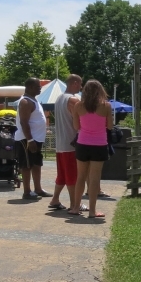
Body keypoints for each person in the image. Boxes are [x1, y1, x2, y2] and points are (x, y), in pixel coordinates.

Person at [70, 79, 114, 218]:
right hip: (99, 145)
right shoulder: (106, 106)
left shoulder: (78, 106)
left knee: (80, 177)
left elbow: (76, 127)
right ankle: (92, 211)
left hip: (82, 144)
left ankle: (76, 208)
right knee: (94, 178)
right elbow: (110, 126)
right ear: (100, 91)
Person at [48, 75, 82, 212]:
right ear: (75, 83)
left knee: (62, 175)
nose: (81, 87)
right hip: (71, 143)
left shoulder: (59, 98)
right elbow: (77, 121)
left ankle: (55, 199)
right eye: (80, 84)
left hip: (61, 143)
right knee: (72, 175)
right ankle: (74, 204)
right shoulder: (73, 100)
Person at [15, 78, 49, 200]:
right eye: (37, 86)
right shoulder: (25, 102)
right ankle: (27, 191)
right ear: (29, 87)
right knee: (26, 165)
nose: (40, 88)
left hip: (37, 139)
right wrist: (30, 140)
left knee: (36, 164)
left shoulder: (34, 100)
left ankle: (38, 189)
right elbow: (24, 122)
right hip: (27, 140)